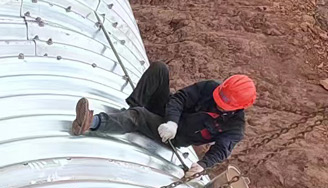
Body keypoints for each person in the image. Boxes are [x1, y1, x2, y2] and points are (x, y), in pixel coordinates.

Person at [71, 61, 256, 180]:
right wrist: (172, 122)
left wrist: (201, 166)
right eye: (220, 95)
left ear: (239, 106)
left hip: (173, 138)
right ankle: (129, 111)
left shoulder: (234, 127)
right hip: (169, 118)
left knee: (139, 116)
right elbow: (180, 98)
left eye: (225, 102)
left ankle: (91, 123)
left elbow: (221, 149)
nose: (219, 101)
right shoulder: (210, 88)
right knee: (159, 69)